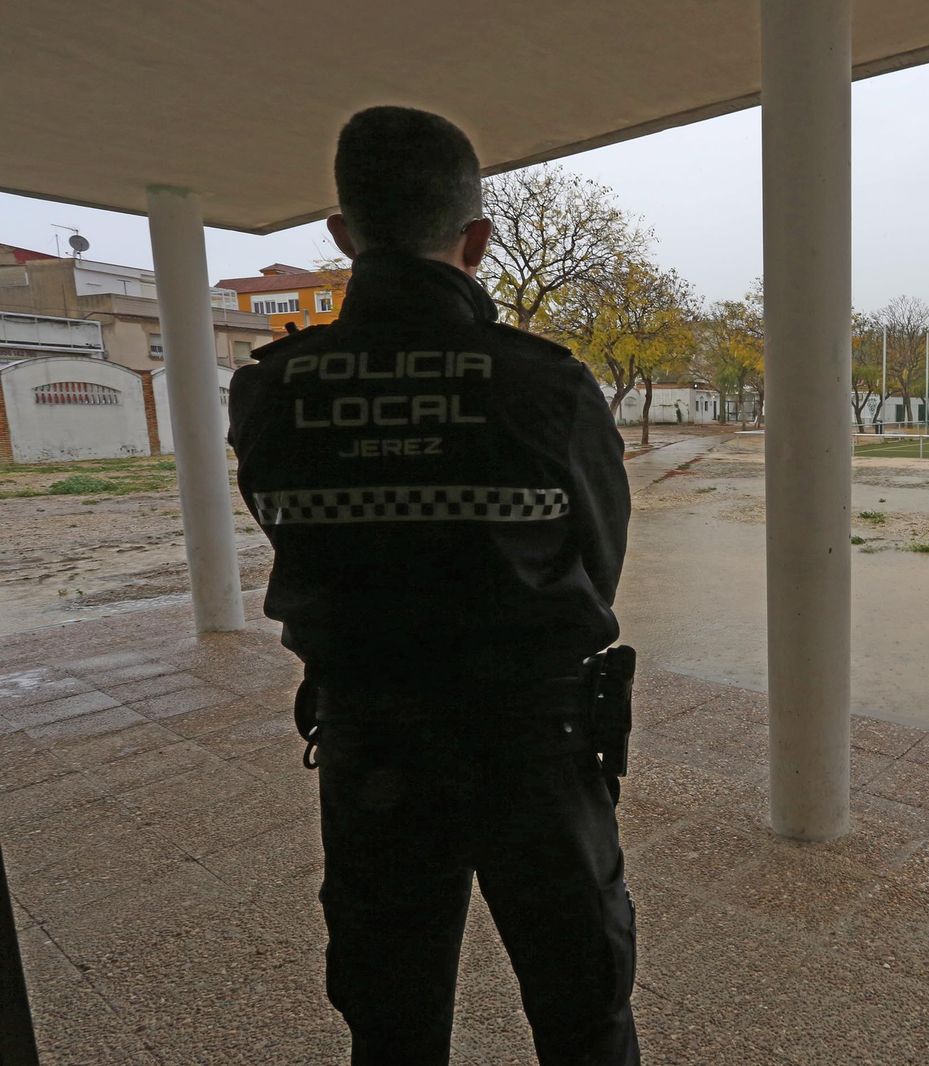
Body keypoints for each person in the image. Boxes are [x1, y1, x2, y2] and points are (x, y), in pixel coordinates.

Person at [228, 106, 637, 1065]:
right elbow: (598, 562)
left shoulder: (272, 389)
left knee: (391, 1011)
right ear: (479, 239)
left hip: (372, 744)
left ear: (341, 235)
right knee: (583, 1005)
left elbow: (291, 532)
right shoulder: (546, 385)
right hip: (537, 744)